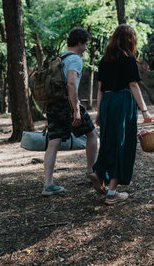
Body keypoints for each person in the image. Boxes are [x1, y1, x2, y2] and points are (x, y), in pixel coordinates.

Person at [88, 24, 152, 205]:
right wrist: (145, 110)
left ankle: (99, 171)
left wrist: (99, 112)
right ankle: (112, 193)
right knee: (122, 144)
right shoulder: (128, 59)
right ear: (130, 40)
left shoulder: (104, 60)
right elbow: (133, 85)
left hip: (107, 103)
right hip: (123, 102)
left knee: (109, 140)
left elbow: (100, 89)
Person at [42, 28, 100, 196]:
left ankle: (48, 184)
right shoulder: (74, 59)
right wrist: (76, 109)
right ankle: (91, 172)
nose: (87, 48)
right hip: (68, 105)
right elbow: (71, 84)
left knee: (54, 142)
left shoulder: (60, 57)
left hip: (53, 104)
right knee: (92, 134)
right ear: (80, 43)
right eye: (86, 44)